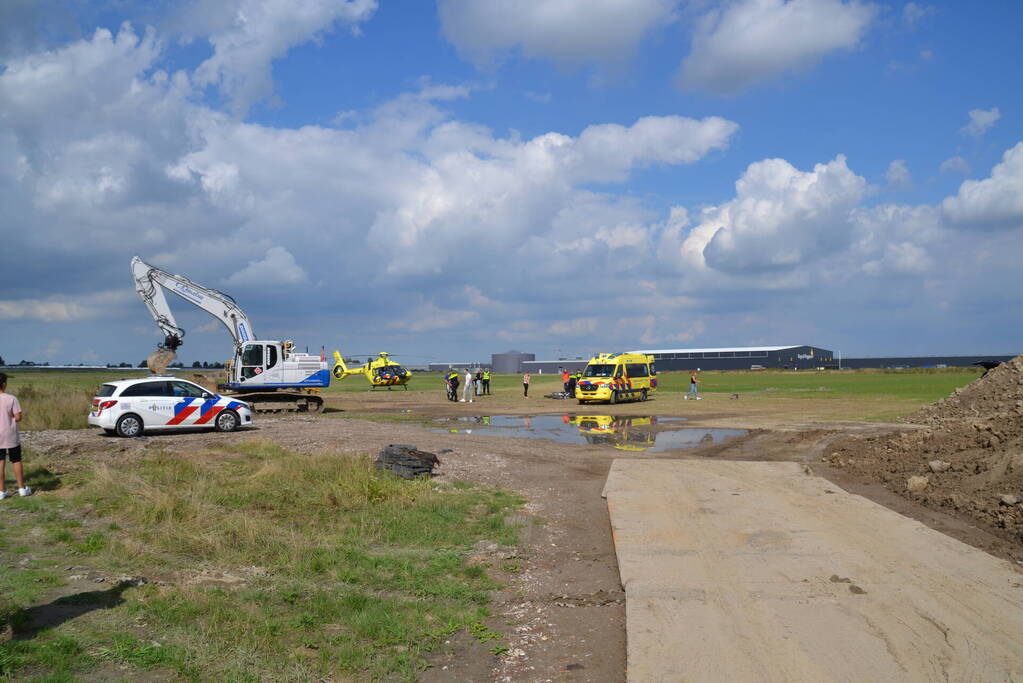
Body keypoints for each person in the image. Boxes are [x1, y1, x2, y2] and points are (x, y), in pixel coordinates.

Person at [0, 373, 30, 498]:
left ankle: (2, 491)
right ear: (5, 384)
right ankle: (22, 489)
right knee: (16, 460)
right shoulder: (11, 398)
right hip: (11, 434)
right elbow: (18, 417)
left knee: (0, 462)